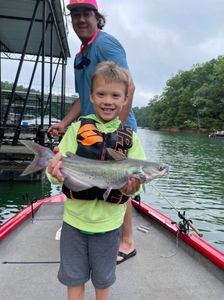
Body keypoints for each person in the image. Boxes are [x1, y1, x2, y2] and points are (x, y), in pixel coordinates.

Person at [46, 61, 145, 300]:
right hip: (74, 222)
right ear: (91, 96)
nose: (108, 101)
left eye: (115, 95)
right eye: (101, 94)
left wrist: (134, 187)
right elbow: (56, 170)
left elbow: (134, 187)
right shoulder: (76, 129)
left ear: (124, 100)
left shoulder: (130, 139)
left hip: (109, 226)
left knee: (103, 281)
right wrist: (53, 171)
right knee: (74, 279)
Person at [48, 0, 137, 263]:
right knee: (89, 176)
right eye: (75, 14)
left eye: (87, 14)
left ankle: (127, 241)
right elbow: (82, 98)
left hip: (116, 128)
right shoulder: (79, 55)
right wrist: (64, 124)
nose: (81, 20)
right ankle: (85, 227)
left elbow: (129, 87)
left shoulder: (106, 43)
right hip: (89, 127)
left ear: (97, 18)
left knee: (120, 179)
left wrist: (114, 130)